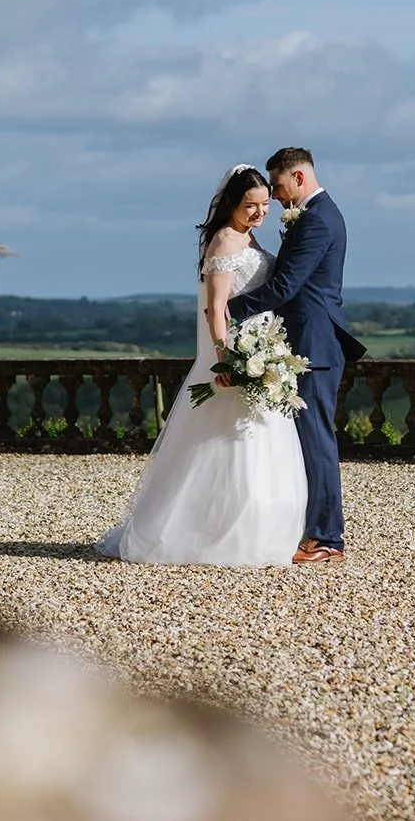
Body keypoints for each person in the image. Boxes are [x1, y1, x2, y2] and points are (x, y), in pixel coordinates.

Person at [99, 164, 307, 566]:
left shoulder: (249, 238)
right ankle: (210, 532)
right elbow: (215, 309)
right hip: (235, 352)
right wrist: (223, 358)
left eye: (265, 205)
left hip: (262, 347)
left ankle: (262, 531)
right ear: (232, 202)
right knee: (226, 445)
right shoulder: (225, 243)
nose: (260, 213)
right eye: (251, 205)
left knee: (261, 441)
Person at [230, 148, 366, 565]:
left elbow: (286, 286)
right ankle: (308, 529)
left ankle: (328, 538)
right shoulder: (314, 214)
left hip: (315, 345)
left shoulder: (318, 220)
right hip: (303, 341)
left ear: (299, 178)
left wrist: (227, 310)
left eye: (278, 183)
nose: (274, 193)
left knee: (317, 442)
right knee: (302, 443)